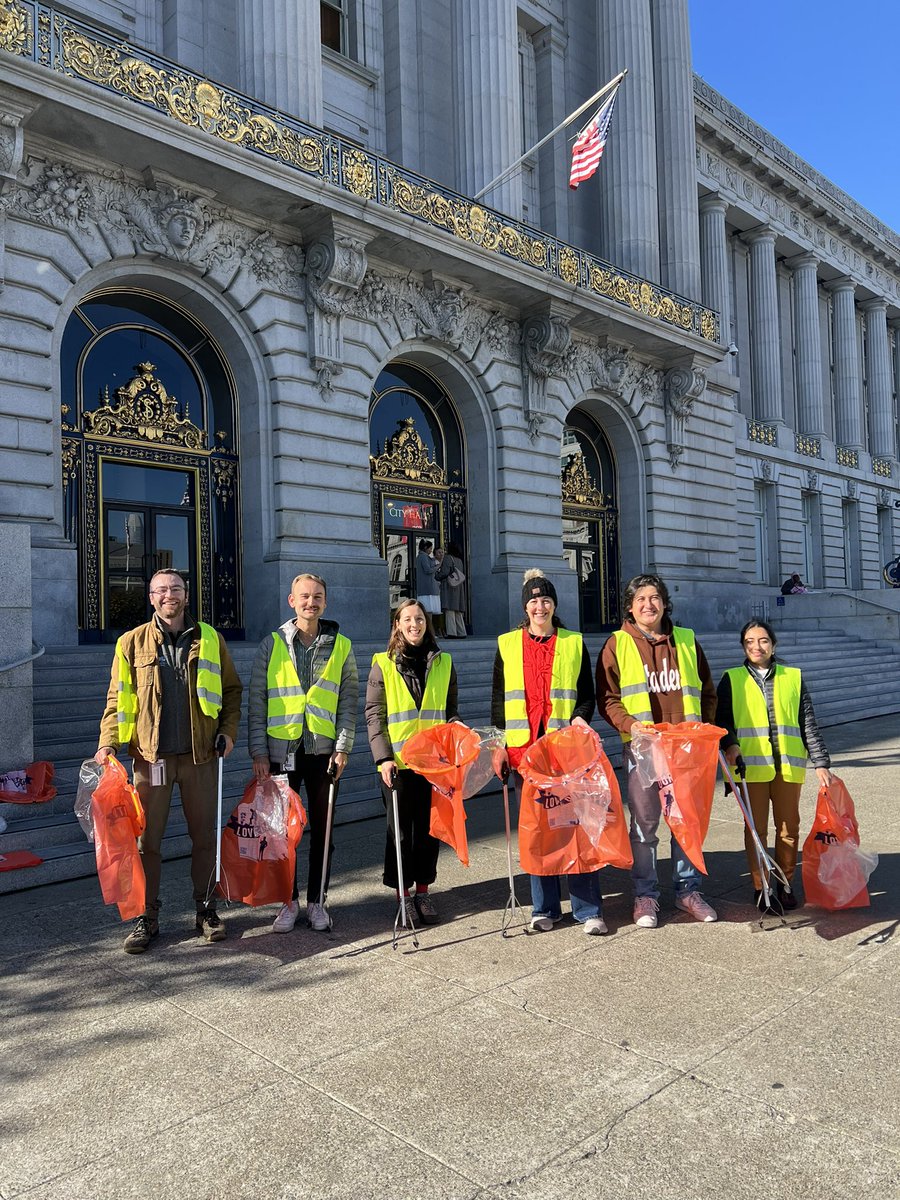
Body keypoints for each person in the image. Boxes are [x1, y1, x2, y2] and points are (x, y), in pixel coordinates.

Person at [95, 568, 242, 954]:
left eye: (175, 588)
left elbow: (231, 690)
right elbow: (117, 699)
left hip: (201, 757)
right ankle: (147, 917)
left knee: (205, 837)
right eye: (161, 590)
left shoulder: (211, 638)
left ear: (186, 595)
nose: (168, 595)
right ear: (151, 597)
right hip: (149, 758)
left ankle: (206, 909)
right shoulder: (130, 643)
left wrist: (228, 731)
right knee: (146, 844)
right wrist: (107, 743)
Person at [596, 573, 719, 927]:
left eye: (654, 598)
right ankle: (645, 896)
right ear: (630, 608)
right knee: (645, 827)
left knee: (685, 824)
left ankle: (687, 891)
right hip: (642, 750)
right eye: (641, 600)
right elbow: (608, 699)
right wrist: (630, 725)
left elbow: (707, 691)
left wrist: (703, 731)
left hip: (686, 751)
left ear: (664, 603)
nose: (648, 605)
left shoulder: (686, 640)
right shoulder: (616, 644)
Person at [492, 570, 606, 935]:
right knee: (538, 829)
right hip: (526, 753)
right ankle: (544, 908)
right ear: (525, 607)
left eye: (545, 600)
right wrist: (499, 745)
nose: (539, 606)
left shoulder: (573, 642)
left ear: (554, 605)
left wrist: (580, 720)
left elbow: (586, 694)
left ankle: (588, 909)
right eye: (533, 601)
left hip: (565, 752)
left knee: (576, 827)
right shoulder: (507, 644)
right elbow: (499, 700)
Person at [247, 572, 358, 933]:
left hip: (323, 752)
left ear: (325, 601)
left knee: (323, 831)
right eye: (304, 597)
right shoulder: (272, 644)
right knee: (282, 834)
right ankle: (288, 901)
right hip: (282, 752)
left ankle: (317, 902)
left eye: (318, 597)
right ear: (291, 601)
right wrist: (259, 751)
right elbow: (257, 700)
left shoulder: (341, 645)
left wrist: (343, 748)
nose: (311, 602)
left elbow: (348, 700)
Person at [717, 619, 832, 911]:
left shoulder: (793, 677)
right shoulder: (732, 679)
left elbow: (807, 722)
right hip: (750, 767)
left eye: (763, 640)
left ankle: (785, 882)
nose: (757, 647)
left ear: (773, 644)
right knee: (756, 831)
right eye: (750, 642)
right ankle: (762, 886)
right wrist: (730, 744)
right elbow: (722, 721)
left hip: (787, 766)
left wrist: (821, 763)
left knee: (788, 827)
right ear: (743, 646)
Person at [365, 598, 460, 924]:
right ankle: (402, 895)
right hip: (398, 766)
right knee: (400, 834)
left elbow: (449, 711)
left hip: (434, 764)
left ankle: (423, 891)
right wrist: (383, 758)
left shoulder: (443, 662)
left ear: (426, 623)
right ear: (398, 624)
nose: (414, 624)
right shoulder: (383, 663)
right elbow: (374, 715)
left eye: (419, 618)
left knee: (428, 832)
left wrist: (457, 726)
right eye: (407, 619)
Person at [434, 542, 467, 638]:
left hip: (449, 586)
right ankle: (462, 632)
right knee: (458, 610)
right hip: (459, 587)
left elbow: (444, 572)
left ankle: (452, 632)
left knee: (450, 610)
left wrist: (437, 576)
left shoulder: (448, 558)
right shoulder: (459, 560)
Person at [415, 539, 442, 632]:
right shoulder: (423, 557)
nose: (431, 550)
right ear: (426, 548)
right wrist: (437, 567)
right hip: (428, 589)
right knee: (428, 612)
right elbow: (428, 570)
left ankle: (428, 632)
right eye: (430, 548)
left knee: (427, 612)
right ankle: (429, 632)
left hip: (425, 589)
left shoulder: (421, 557)